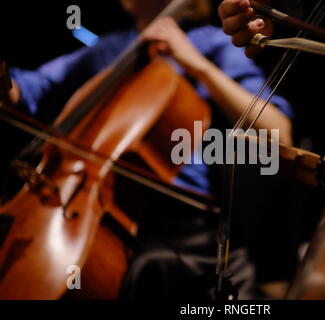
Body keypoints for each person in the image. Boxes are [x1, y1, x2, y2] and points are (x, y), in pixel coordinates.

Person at [7, 0, 293, 299]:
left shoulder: (209, 42)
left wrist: (194, 63)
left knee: (149, 273)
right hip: (103, 208)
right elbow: (29, 89)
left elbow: (277, 132)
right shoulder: (111, 49)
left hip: (183, 223)